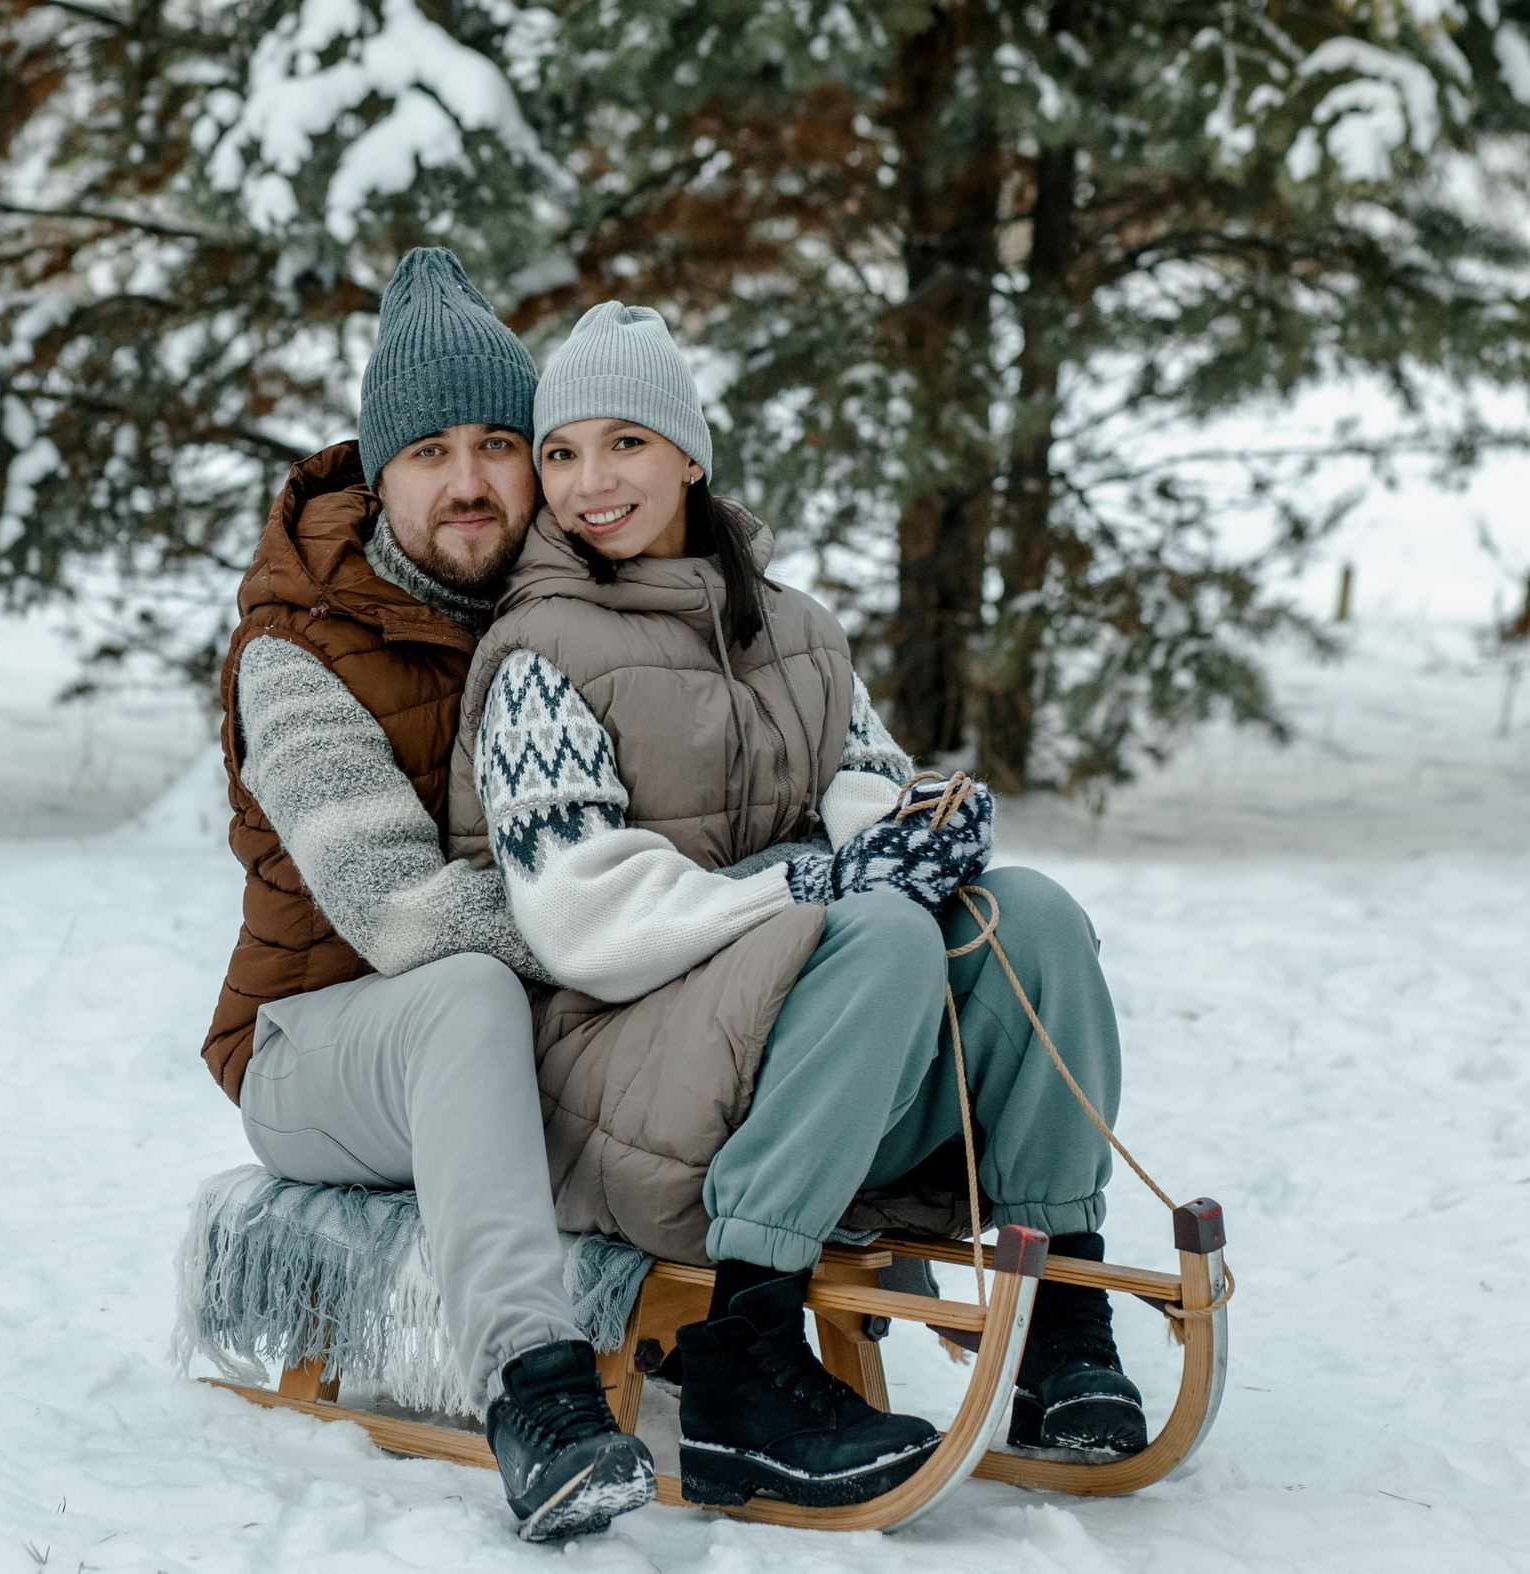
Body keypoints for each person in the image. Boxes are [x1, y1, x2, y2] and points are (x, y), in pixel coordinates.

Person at [445, 301, 1143, 1510]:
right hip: (612, 1067)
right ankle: (743, 1361)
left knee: (1024, 911)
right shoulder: (537, 651)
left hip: (795, 1048)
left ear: (689, 453)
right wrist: (816, 883)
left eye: (624, 444)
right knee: (866, 926)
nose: (588, 482)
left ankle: (1061, 1312)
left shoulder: (800, 631)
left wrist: (919, 831)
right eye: (559, 453)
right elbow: (579, 914)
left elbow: (861, 785)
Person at [200, 250, 656, 1540]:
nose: (468, 483)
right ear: (376, 467)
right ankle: (536, 1390)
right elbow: (400, 915)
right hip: (316, 1045)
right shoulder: (291, 649)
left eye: (500, 445)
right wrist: (663, 926)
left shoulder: (574, 602)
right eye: (429, 452)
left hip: (530, 1016)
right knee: (457, 987)